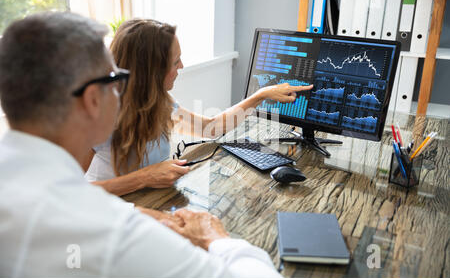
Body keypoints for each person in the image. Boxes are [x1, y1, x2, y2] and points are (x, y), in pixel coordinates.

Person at [0, 12, 282, 278]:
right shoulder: (116, 234)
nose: (120, 90)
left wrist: (260, 95)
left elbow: (210, 127)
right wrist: (217, 239)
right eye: (115, 79)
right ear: (92, 100)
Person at [85, 19, 313, 196]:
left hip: (150, 206)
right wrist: (144, 177)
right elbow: (66, 192)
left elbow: (211, 128)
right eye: (175, 62)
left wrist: (260, 95)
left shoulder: (159, 101)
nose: (181, 66)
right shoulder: (96, 114)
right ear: (150, 73)